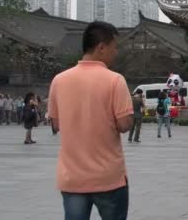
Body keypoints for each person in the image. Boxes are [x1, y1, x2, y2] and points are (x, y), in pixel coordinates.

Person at [48, 21, 133, 220]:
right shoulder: (115, 80)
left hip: (72, 178)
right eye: (114, 47)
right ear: (101, 48)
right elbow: (124, 125)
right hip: (108, 178)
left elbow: (56, 125)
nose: (116, 52)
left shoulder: (59, 81)